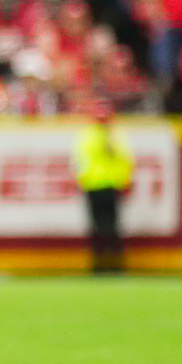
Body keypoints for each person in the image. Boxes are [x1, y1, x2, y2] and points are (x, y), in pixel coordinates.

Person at [73, 100, 133, 274]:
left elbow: (125, 160)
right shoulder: (90, 136)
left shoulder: (115, 136)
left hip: (111, 186)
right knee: (97, 227)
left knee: (112, 226)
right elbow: (81, 160)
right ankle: (99, 264)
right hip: (94, 186)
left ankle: (115, 264)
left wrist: (125, 181)